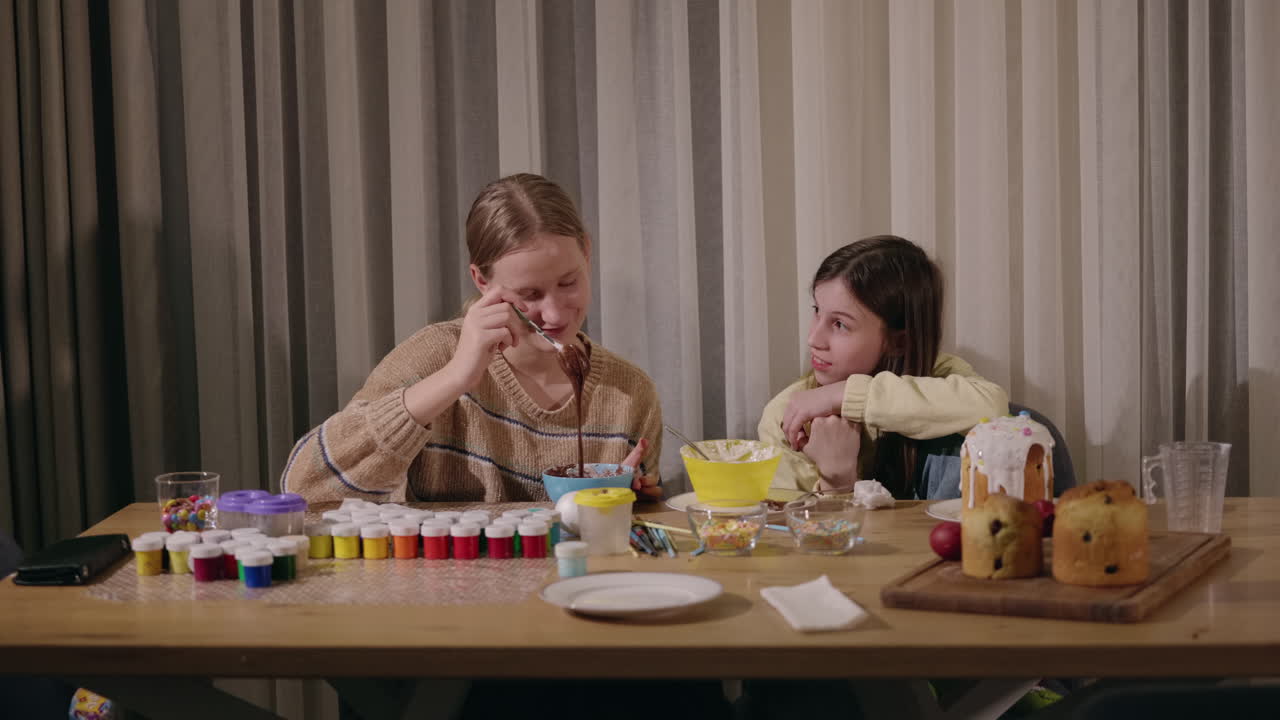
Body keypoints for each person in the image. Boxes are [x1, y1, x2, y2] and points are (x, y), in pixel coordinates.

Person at [282, 173, 662, 504]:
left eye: (569, 283)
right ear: (482, 281)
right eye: (529, 295)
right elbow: (304, 487)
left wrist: (627, 502)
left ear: (587, 253)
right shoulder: (435, 356)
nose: (555, 313)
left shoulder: (631, 394)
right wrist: (456, 377)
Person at [758, 235, 1008, 500]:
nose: (813, 339)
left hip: (936, 536)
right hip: (852, 539)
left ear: (898, 342)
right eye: (817, 311)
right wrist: (838, 476)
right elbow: (803, 533)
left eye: (840, 324)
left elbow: (993, 408)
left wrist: (846, 395)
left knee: (970, 442)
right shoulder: (786, 417)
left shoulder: (940, 374)